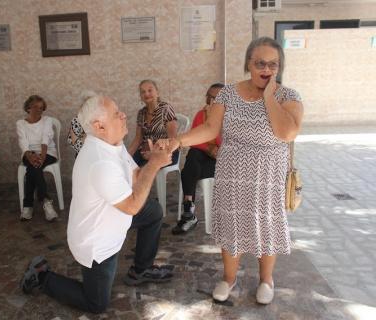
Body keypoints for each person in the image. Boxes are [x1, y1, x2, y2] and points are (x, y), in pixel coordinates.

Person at [165, 37, 304, 304]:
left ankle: (266, 279)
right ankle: (229, 278)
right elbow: (209, 129)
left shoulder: (288, 96)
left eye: (273, 64)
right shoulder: (227, 93)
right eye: (259, 63)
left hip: (268, 177)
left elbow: (287, 132)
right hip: (231, 174)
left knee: (266, 227)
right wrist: (179, 140)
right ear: (248, 64)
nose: (266, 68)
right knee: (231, 227)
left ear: (280, 67)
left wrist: (268, 97)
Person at [20, 93, 174, 314]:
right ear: (99, 126)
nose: (123, 115)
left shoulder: (114, 144)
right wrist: (155, 165)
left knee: (153, 212)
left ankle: (141, 270)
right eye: (116, 114)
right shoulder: (100, 161)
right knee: (96, 304)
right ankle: (42, 277)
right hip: (97, 241)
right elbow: (131, 205)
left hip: (115, 218)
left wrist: (152, 161)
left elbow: (136, 177)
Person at [172, 83, 224, 235]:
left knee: (190, 170)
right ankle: (189, 210)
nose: (214, 101)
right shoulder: (201, 115)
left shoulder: (230, 118)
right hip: (203, 156)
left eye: (218, 98)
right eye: (211, 97)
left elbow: (224, 147)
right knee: (193, 156)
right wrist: (209, 148)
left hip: (221, 161)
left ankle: (189, 214)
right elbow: (195, 140)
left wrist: (214, 147)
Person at [16, 95, 58, 221]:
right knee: (34, 168)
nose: (39, 110)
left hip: (48, 152)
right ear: (28, 108)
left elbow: (46, 138)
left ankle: (28, 206)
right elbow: (23, 142)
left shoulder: (47, 120)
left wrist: (41, 156)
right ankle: (46, 201)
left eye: (41, 107)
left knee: (33, 169)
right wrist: (30, 155)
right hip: (28, 152)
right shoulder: (20, 123)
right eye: (35, 107)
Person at [128, 79, 178, 166]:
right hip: (145, 152)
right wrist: (126, 156)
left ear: (157, 92)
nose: (146, 94)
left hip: (166, 151)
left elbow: (173, 139)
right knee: (128, 165)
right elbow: (138, 139)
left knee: (142, 170)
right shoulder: (141, 113)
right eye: (143, 92)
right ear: (141, 96)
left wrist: (154, 154)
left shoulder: (165, 109)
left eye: (150, 90)